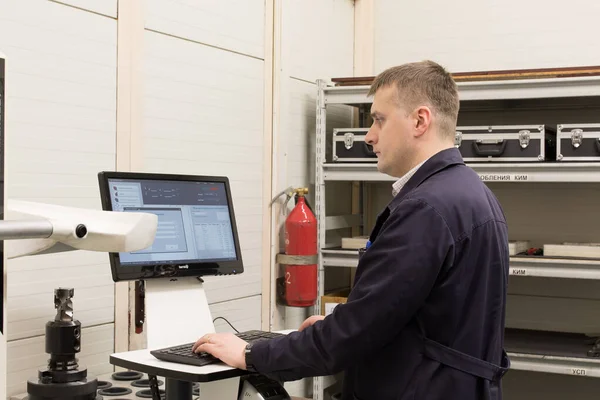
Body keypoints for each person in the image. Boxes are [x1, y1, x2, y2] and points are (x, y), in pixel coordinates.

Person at [192, 60, 511, 400]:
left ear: (420, 120)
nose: (370, 136)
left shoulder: (426, 208)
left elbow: (357, 332)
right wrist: (340, 325)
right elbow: (413, 314)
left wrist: (250, 355)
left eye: (379, 119)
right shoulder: (472, 193)